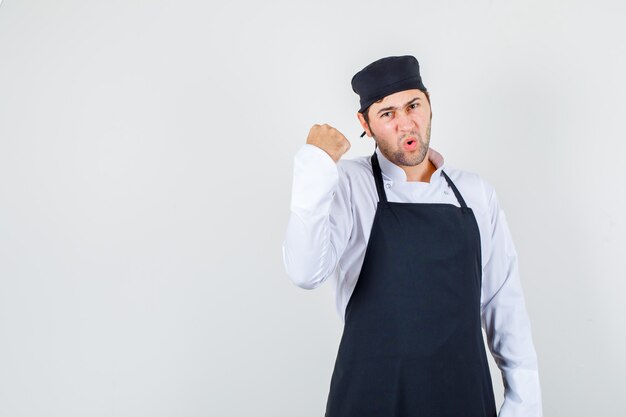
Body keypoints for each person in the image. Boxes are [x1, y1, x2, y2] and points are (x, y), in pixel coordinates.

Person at [282, 55, 542, 417]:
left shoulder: (475, 193)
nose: (406, 124)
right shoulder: (347, 183)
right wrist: (315, 164)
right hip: (371, 399)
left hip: (463, 398)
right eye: (387, 114)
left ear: (429, 103)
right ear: (365, 124)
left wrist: (523, 405)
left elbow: (504, 304)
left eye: (413, 105)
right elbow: (304, 272)